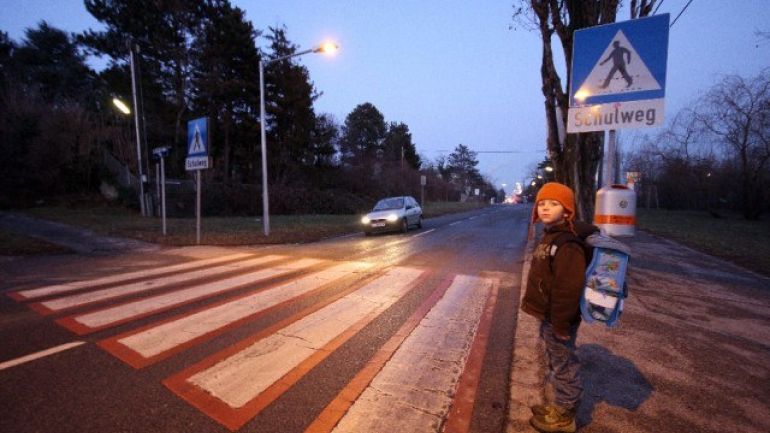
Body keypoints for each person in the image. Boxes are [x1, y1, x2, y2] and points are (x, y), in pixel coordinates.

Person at [521, 182, 598, 433]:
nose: (545, 208)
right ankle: (559, 405)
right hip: (550, 315)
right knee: (555, 359)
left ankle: (565, 414)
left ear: (567, 211)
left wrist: (561, 324)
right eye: (542, 203)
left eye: (553, 204)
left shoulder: (567, 244)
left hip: (559, 319)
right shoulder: (550, 235)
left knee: (563, 363)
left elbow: (568, 288)